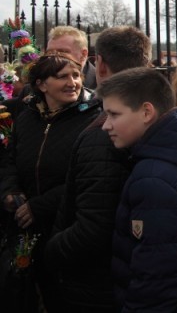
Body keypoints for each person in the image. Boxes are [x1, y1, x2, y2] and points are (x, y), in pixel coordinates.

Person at [97, 67, 177, 311]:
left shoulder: (153, 181)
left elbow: (156, 280)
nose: (106, 125)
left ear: (147, 112)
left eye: (114, 114)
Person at [45, 26, 152, 312]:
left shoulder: (104, 129)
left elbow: (94, 227)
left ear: (98, 63)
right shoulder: (153, 112)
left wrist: (51, 251)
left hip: (97, 281)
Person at [0, 53, 102, 311]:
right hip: (25, 229)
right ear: (41, 85)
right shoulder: (27, 117)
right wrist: (11, 191)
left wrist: (39, 206)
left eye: (76, 75)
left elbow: (86, 177)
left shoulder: (93, 119)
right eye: (62, 77)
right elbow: (9, 159)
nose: (73, 82)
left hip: (66, 226)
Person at [47, 26, 97, 90]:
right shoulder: (41, 81)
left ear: (83, 54)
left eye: (62, 52)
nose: (53, 57)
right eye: (50, 52)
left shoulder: (102, 85)